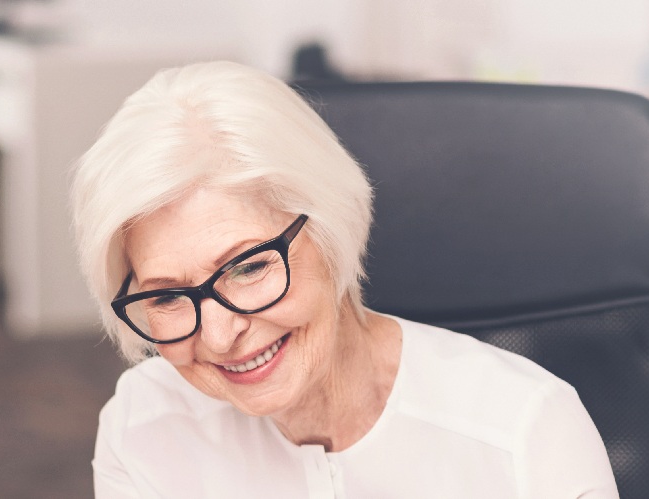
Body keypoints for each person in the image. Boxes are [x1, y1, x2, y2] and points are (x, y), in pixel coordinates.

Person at [70, 61, 618, 498]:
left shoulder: (524, 432)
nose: (217, 336)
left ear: (332, 230)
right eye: (166, 296)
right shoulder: (145, 426)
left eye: (250, 267)